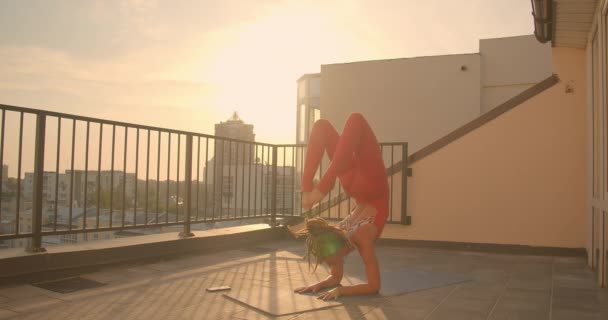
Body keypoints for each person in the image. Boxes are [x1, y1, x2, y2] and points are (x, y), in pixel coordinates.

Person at [290, 112, 389, 301]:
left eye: (331, 261)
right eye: (330, 262)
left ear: (335, 249)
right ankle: (314, 190)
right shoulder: (350, 238)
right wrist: (324, 286)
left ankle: (309, 190)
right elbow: (360, 283)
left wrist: (338, 289)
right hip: (367, 185)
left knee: (324, 126)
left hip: (364, 187)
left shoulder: (349, 235)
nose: (334, 265)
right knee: (354, 120)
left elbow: (362, 284)